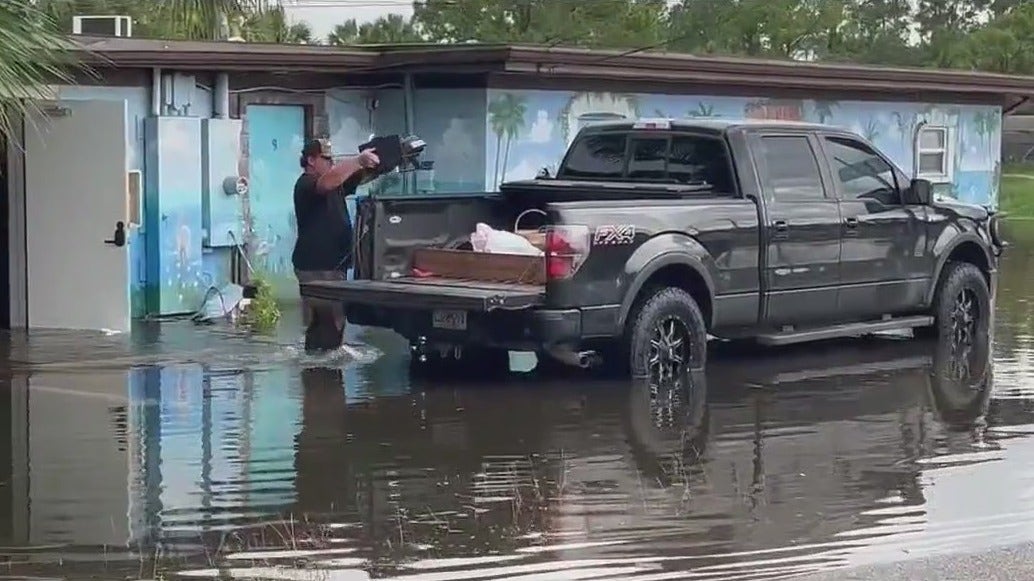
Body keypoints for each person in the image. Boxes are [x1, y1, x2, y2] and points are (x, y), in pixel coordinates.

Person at [293, 138, 379, 352]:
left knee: (333, 321)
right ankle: (321, 372)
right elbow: (328, 183)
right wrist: (357, 160)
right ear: (311, 160)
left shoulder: (334, 184)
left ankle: (320, 370)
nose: (331, 163)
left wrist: (379, 163)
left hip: (334, 264)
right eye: (326, 158)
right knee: (329, 321)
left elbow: (356, 178)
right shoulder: (307, 183)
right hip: (316, 266)